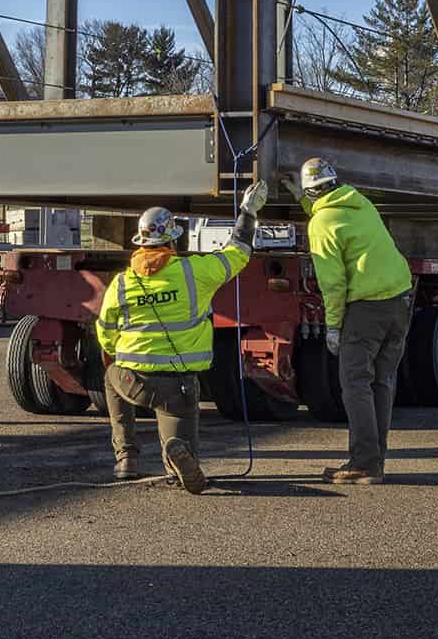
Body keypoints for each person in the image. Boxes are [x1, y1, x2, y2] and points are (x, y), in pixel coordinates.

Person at [93, 182, 269, 493]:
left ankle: (126, 458)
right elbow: (239, 252)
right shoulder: (195, 272)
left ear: (139, 243)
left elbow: (105, 331)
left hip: (135, 382)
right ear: (174, 240)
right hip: (181, 385)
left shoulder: (122, 283)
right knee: (181, 449)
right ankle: (177, 457)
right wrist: (247, 211)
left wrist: (113, 354)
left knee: (110, 374)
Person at [298, 157, 414, 485]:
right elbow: (332, 218)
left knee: (355, 383)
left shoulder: (321, 224)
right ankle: (374, 461)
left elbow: (333, 284)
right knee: (380, 381)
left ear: (310, 194)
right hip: (399, 299)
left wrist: (333, 326)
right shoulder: (358, 201)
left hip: (368, 306)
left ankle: (363, 462)